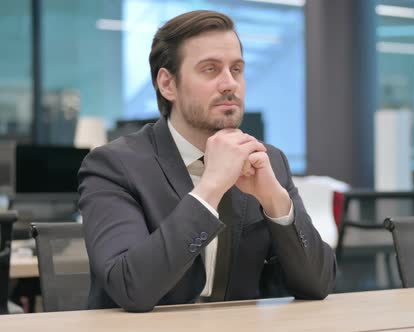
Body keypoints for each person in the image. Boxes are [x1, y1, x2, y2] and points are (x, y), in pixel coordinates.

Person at [78, 10, 336, 312]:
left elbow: (318, 284)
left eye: (237, 69)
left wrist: (276, 202)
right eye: (211, 70)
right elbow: (131, 288)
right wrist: (210, 188)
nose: (230, 84)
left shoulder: (269, 160)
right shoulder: (113, 166)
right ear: (167, 84)